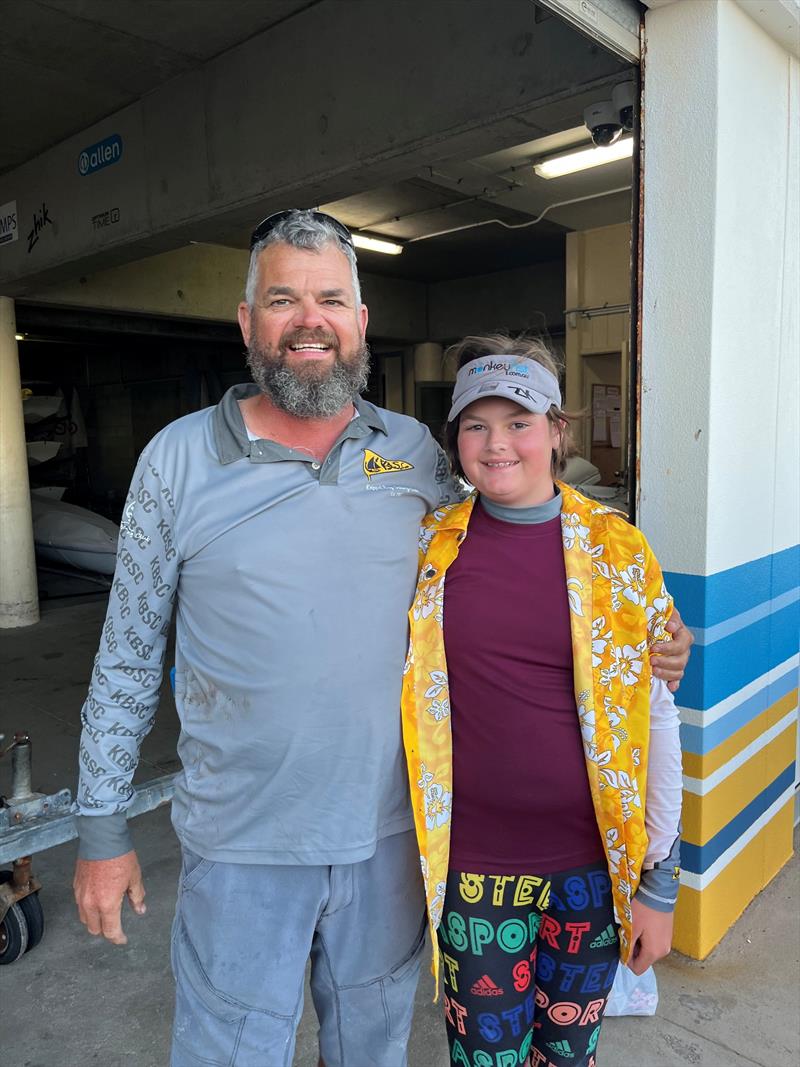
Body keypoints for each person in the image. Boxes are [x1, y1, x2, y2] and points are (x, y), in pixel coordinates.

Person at [72, 213, 691, 1067]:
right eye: (282, 298)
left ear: (361, 322)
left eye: (330, 297)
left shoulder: (417, 458)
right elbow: (129, 654)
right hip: (243, 846)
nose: (308, 318)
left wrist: (651, 636)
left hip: (394, 844)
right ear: (247, 321)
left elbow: (527, 542)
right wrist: (102, 829)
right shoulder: (175, 461)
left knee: (371, 1050)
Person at [401, 334, 684, 1067]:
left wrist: (659, 881)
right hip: (474, 872)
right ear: (455, 438)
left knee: (569, 1057)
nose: (498, 444)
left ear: (558, 431)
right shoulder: (430, 550)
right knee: (485, 1060)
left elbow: (656, 715)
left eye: (519, 422)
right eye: (476, 424)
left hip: (591, 872)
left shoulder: (618, 551)